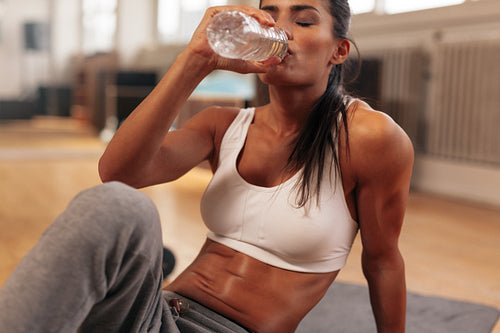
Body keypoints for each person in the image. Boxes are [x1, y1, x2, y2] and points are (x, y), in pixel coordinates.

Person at [0, 0, 414, 332]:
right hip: (156, 316)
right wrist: (195, 59)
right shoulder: (223, 125)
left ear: (338, 50)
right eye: (269, 16)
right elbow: (119, 175)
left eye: (304, 21)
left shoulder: (368, 138)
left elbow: (382, 260)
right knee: (120, 207)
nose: (281, 30)